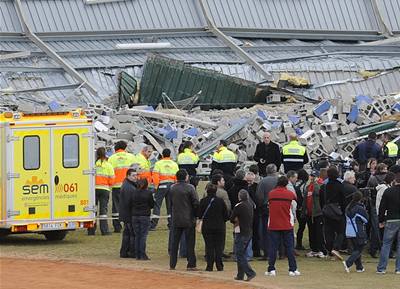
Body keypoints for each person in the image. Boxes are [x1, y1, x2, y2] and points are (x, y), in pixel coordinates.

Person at [266, 176, 300, 277]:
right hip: (286, 224)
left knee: (273, 247)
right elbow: (295, 199)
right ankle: (292, 269)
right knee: (289, 248)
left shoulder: (271, 193)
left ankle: (271, 269)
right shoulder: (289, 194)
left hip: (274, 224)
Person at [169, 169, 199, 271]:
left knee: (174, 242)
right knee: (190, 243)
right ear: (186, 177)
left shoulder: (172, 188)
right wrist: (196, 215)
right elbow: (195, 203)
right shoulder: (190, 188)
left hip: (176, 218)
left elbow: (170, 203)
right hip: (188, 219)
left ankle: (172, 264)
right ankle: (191, 264)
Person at [198, 184, 229, 271]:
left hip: (207, 227)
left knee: (209, 246)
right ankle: (219, 265)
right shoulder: (220, 201)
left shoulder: (203, 201)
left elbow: (199, 214)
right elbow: (226, 215)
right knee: (219, 246)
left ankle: (209, 265)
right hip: (219, 226)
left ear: (207, 191)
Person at [108, 141, 136, 233]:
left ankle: (117, 226)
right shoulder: (131, 157)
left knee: (116, 207)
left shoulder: (111, 158)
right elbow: (136, 171)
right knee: (129, 205)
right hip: (129, 185)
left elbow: (109, 172)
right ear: (125, 148)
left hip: (116, 186)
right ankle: (128, 224)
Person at [320, 166, 345, 261]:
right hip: (338, 211)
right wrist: (343, 210)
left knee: (328, 232)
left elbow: (321, 200)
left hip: (327, 211)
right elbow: (343, 199)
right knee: (341, 231)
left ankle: (330, 250)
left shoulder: (324, 186)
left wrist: (324, 208)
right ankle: (336, 248)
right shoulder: (340, 185)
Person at [376, 172, 400, 274]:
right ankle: (398, 268)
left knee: (386, 244)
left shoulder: (388, 191)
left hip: (391, 219)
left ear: (395, 180)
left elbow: (382, 207)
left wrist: (381, 220)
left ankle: (382, 268)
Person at [230, 190, 256, 281]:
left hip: (240, 231)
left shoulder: (238, 206)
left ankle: (250, 273)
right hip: (249, 231)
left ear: (239, 197)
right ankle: (240, 275)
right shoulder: (250, 205)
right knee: (242, 253)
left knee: (239, 254)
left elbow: (231, 218)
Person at [88, 147, 114, 236]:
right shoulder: (109, 166)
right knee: (103, 211)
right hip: (105, 189)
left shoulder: (93, 165)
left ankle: (91, 230)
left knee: (93, 210)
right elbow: (111, 181)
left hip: (93, 190)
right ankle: (104, 230)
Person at [151, 148, 179, 230]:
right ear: (170, 155)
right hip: (172, 186)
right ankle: (171, 224)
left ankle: (153, 224)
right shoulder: (174, 164)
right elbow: (177, 176)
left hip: (161, 185)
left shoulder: (158, 163)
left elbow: (155, 176)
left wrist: (156, 186)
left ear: (162, 155)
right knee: (170, 205)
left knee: (157, 205)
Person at [255, 164, 279, 259]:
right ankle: (280, 252)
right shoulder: (279, 180)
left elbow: (259, 196)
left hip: (266, 208)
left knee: (266, 231)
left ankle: (267, 253)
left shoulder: (263, 182)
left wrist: (260, 205)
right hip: (279, 207)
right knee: (279, 229)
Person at [343, 192, 369, 273]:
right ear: (360, 199)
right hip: (357, 231)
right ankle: (348, 263)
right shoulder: (359, 208)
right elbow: (366, 220)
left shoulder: (348, 208)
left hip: (349, 231)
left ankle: (359, 267)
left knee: (356, 249)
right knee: (359, 249)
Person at [366, 163, 388, 258]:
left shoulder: (372, 178)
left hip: (374, 204)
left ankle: (374, 249)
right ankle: (384, 249)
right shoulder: (387, 177)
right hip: (386, 205)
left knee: (375, 228)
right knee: (386, 228)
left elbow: (368, 190)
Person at [130, 178, 155, 260]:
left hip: (135, 216)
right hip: (144, 216)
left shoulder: (133, 192)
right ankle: (142, 254)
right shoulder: (148, 193)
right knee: (143, 236)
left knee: (137, 235)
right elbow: (152, 205)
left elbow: (130, 203)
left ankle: (137, 254)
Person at [119, 167, 139, 258]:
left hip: (126, 214)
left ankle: (124, 252)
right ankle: (132, 252)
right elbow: (130, 203)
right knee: (132, 234)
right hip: (129, 214)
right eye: (133, 175)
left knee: (127, 233)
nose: (136, 177)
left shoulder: (127, 185)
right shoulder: (129, 188)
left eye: (136, 175)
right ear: (128, 176)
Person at [304, 171, 325, 258]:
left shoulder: (319, 185)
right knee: (311, 232)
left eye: (313, 176)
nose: (312, 178)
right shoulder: (308, 187)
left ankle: (321, 250)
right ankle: (314, 249)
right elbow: (305, 198)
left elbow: (318, 193)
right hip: (309, 213)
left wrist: (315, 183)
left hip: (318, 213)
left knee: (318, 232)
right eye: (311, 176)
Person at [294, 169, 308, 250]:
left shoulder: (296, 184)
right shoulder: (304, 185)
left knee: (301, 226)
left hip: (296, 207)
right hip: (303, 208)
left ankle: (299, 243)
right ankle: (299, 243)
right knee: (302, 226)